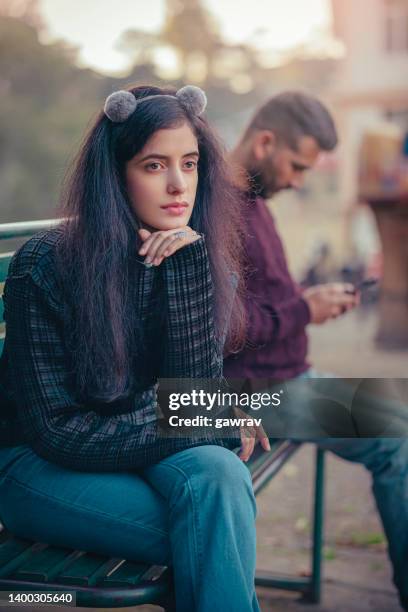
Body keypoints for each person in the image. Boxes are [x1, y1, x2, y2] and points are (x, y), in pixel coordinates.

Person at [0, 84, 263, 612]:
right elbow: (57, 432)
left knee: (219, 476)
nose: (177, 185)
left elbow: (193, 404)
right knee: (218, 527)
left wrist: (188, 274)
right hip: (40, 468)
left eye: (189, 164)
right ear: (116, 174)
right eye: (153, 166)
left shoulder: (192, 254)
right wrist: (209, 420)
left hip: (141, 447)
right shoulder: (45, 266)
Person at [223, 91, 408, 609]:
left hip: (287, 381)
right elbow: (225, 329)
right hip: (253, 396)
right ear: (264, 142)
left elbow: (263, 302)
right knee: (399, 439)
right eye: (297, 165)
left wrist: (308, 301)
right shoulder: (218, 207)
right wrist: (306, 310)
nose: (299, 180)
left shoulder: (254, 202)